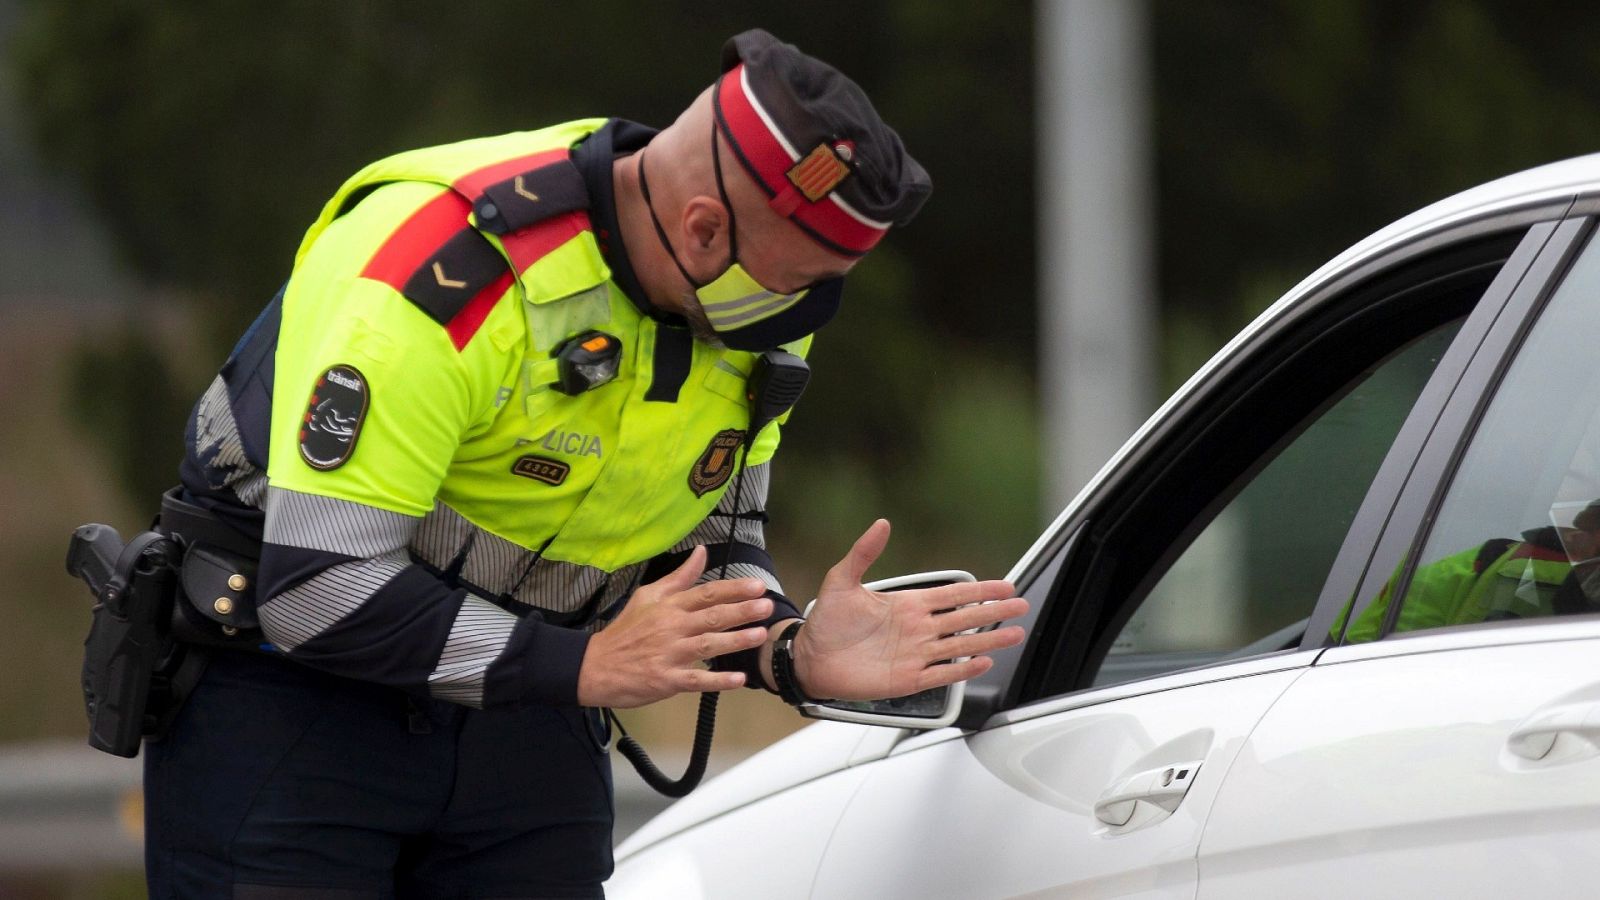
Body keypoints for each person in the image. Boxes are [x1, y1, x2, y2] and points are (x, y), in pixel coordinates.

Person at [145, 28, 1029, 898]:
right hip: (290, 699)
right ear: (703, 226)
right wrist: (581, 668)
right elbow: (313, 589)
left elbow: (714, 537)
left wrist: (786, 652)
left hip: (530, 716)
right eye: (795, 282)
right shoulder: (444, 271)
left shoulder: (756, 303)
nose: (802, 313)